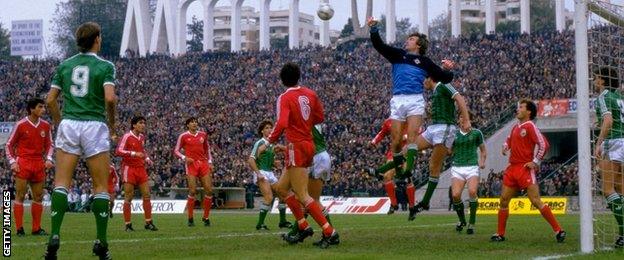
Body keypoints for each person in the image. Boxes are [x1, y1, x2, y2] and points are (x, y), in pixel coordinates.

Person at [44, 22, 116, 260]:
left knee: (61, 183)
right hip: (94, 125)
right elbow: (110, 99)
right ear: (96, 39)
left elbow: (50, 100)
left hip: (70, 123)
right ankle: (101, 243)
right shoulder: (105, 66)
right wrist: (112, 124)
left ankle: (54, 236)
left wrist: (59, 123)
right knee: (100, 186)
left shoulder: (65, 65)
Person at [367, 16, 455, 182]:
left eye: (411, 39)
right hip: (398, 100)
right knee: (396, 141)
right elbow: (379, 45)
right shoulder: (397, 55)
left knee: (413, 137)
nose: (407, 41)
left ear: (419, 44)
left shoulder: (426, 62)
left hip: (415, 100)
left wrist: (448, 69)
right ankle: (400, 171)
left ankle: (408, 170)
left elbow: (444, 77)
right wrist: (373, 29)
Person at [269, 63, 339, 248]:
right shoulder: (311, 93)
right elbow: (319, 118)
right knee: (281, 189)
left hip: (297, 145)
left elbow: (282, 122)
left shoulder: (285, 97)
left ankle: (329, 232)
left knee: (304, 196)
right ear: (299, 76)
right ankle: (303, 225)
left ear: (282, 80)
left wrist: (269, 141)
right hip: (310, 145)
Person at [491, 99, 566, 243]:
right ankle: (500, 234)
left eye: (521, 107)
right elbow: (508, 140)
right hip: (512, 169)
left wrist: (535, 161)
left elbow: (544, 144)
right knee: (504, 200)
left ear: (528, 112)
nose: (518, 109)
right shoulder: (515, 127)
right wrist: (505, 146)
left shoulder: (530, 126)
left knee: (535, 201)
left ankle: (559, 230)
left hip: (524, 169)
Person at [409, 77, 471, 221]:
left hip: (444, 129)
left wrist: (466, 119)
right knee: (409, 147)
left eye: (424, 79)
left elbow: (459, 98)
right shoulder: (436, 92)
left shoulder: (443, 85)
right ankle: (401, 175)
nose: (423, 82)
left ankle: (425, 202)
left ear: (430, 78)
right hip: (433, 128)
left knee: (434, 167)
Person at [5, 98, 54, 236]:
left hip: (38, 162)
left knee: (38, 197)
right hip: (23, 163)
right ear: (32, 109)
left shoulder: (46, 125)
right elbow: (9, 145)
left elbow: (50, 144)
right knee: (20, 195)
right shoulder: (20, 125)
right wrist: (13, 162)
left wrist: (49, 158)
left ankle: (36, 229)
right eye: (40, 107)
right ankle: (19, 229)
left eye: (44, 107)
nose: (43, 109)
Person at [593, 67, 624, 247]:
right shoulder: (619, 97)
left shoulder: (604, 96)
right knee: (621, 190)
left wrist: (598, 142)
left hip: (613, 142)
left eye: (596, 77)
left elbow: (609, 121)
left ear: (603, 80)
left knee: (608, 190)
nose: (594, 80)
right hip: (623, 140)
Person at [247, 120, 292, 230]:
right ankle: (260, 224)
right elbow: (250, 160)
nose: (269, 130)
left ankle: (282, 221)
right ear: (262, 131)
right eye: (266, 128)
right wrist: (258, 174)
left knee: (282, 195)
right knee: (269, 197)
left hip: (270, 173)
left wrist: (274, 164)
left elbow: (268, 160)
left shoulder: (271, 144)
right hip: (261, 172)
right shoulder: (260, 143)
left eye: (270, 128)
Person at [116, 116, 158, 231]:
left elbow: (142, 150)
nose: (143, 125)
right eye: (140, 123)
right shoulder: (127, 136)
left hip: (141, 168)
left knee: (147, 195)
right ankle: (128, 224)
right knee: (129, 197)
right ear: (134, 125)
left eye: (144, 123)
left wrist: (147, 158)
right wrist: (134, 154)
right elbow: (118, 151)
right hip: (129, 169)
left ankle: (148, 222)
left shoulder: (141, 137)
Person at [449, 113, 486, 234]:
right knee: (455, 195)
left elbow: (483, 150)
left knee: (472, 192)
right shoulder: (454, 134)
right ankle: (462, 220)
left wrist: (482, 161)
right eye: (461, 117)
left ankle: (472, 223)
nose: (463, 119)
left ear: (470, 120)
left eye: (466, 118)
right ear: (458, 120)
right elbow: (449, 150)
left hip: (472, 166)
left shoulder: (476, 133)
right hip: (457, 166)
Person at [174, 117, 214, 227]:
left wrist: (210, 162)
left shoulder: (203, 135)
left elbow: (207, 149)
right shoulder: (183, 136)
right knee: (192, 191)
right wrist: (184, 158)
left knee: (209, 190)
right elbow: (176, 151)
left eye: (196, 122)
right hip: (191, 165)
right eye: (192, 122)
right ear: (187, 125)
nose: (194, 123)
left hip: (203, 163)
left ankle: (206, 217)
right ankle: (190, 218)